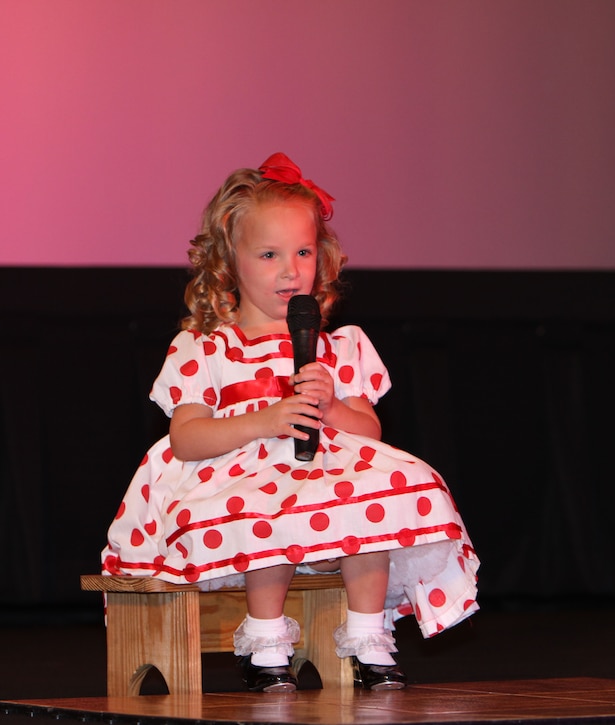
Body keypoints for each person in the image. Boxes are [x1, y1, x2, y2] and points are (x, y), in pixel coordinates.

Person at [101, 152, 479, 692]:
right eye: (270, 254)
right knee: (266, 501)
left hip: (323, 468)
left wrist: (333, 407)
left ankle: (369, 637)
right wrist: (265, 420)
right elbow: (185, 438)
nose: (290, 269)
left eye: (303, 252)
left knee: (381, 485)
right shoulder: (207, 347)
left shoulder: (336, 345)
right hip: (235, 473)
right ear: (230, 262)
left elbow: (369, 432)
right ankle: (265, 641)